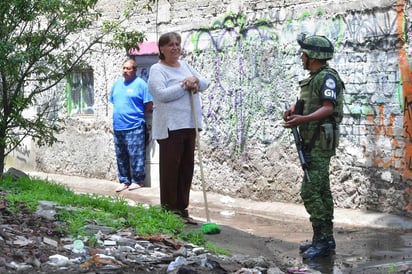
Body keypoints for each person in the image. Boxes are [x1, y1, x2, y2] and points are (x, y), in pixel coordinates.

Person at [283, 34, 344, 259]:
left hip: (320, 142)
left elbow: (328, 107)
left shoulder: (327, 77)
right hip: (312, 140)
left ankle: (323, 240)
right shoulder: (314, 78)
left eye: (304, 54)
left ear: (313, 57)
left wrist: (302, 120)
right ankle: (324, 239)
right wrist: (293, 110)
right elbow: (310, 102)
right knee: (321, 190)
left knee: (309, 190)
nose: (301, 57)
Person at [147, 32, 209, 224]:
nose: (175, 48)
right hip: (170, 128)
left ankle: (182, 210)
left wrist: (195, 81)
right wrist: (185, 85)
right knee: (170, 170)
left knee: (186, 169)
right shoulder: (157, 70)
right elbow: (161, 94)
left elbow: (205, 83)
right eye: (170, 45)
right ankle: (169, 210)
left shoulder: (185, 66)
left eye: (177, 44)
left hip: (190, 125)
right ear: (162, 49)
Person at [110, 58, 153, 193]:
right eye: (124, 68)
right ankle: (124, 181)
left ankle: (137, 181)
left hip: (135, 126)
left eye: (128, 68)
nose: (125, 71)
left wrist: (135, 114)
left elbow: (149, 104)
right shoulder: (117, 84)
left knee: (136, 155)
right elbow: (114, 101)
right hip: (118, 126)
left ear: (135, 70)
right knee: (121, 156)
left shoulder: (141, 84)